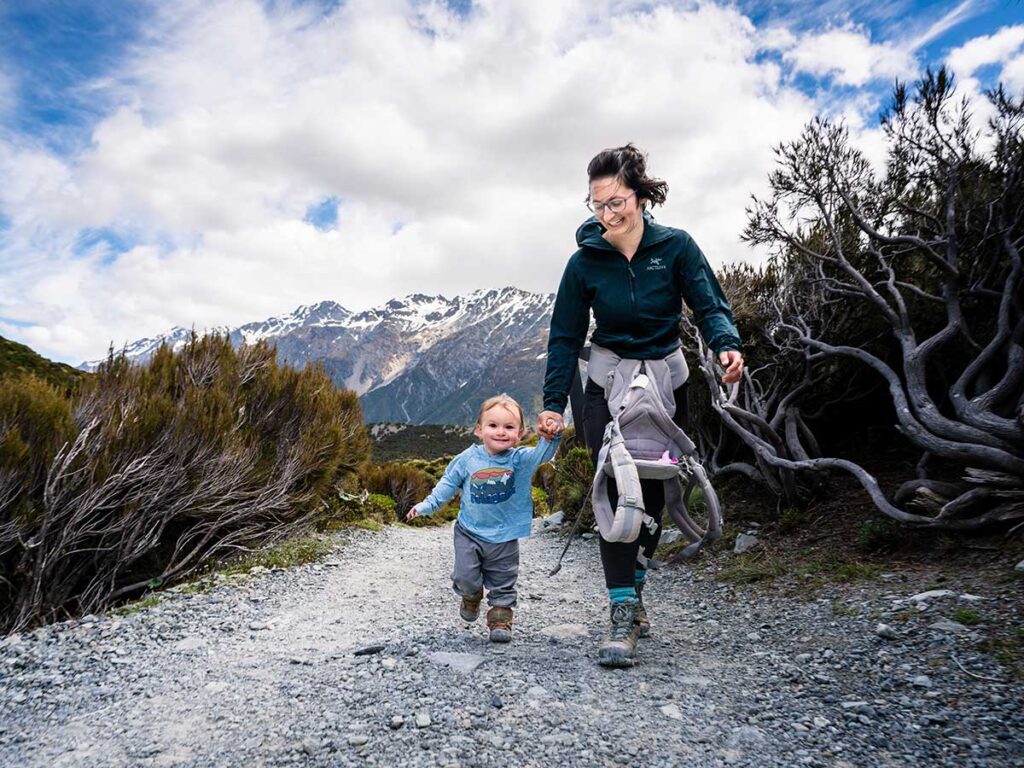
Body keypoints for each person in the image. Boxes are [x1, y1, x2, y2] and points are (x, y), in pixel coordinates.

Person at [537, 144, 744, 668]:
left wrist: (725, 345)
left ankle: (637, 584)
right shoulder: (583, 263)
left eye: (617, 202)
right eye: (597, 204)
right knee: (613, 485)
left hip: (666, 383)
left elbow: (709, 303)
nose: (608, 215)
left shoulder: (676, 247)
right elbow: (564, 337)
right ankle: (621, 611)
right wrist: (554, 404)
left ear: (640, 194)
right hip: (606, 385)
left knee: (652, 492)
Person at [407, 394, 560, 643]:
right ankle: (471, 594)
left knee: (503, 578)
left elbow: (543, 454)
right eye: (493, 425)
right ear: (479, 430)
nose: (501, 432)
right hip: (469, 532)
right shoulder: (467, 459)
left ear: (520, 433)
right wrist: (428, 505)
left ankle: (500, 618)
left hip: (505, 534)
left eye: (509, 427)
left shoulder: (520, 460)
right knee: (464, 576)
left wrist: (552, 436)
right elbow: (448, 483)